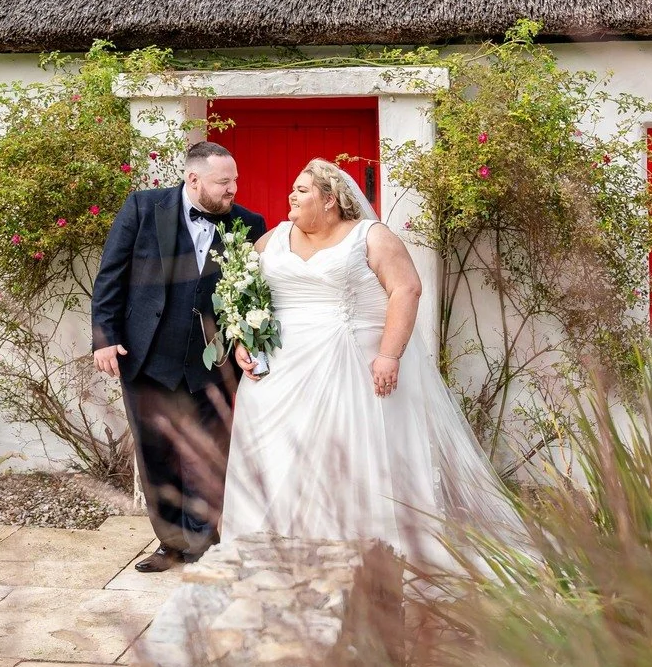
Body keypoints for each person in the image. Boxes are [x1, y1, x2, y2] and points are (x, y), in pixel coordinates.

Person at [220, 159, 526, 569]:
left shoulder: (371, 237)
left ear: (330, 200)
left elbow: (406, 288)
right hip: (277, 376)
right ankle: (269, 550)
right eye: (292, 188)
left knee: (342, 454)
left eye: (302, 189)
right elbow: (244, 293)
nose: (291, 195)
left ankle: (356, 552)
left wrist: (389, 354)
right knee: (275, 455)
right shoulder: (272, 240)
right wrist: (241, 338)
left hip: (350, 369)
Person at [91, 141, 267, 572]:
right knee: (158, 454)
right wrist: (104, 337)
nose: (233, 189)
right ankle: (170, 544)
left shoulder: (249, 223)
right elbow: (111, 273)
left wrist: (247, 341)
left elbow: (253, 296)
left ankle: (203, 545)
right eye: (224, 182)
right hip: (146, 356)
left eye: (235, 180)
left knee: (209, 456)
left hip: (215, 364)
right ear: (193, 179)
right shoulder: (142, 207)